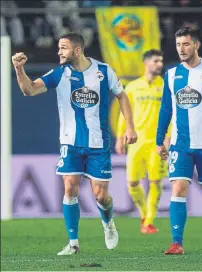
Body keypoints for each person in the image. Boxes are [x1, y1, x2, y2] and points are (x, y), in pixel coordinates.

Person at [12, 32, 137, 255]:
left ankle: (108, 224)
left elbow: (122, 96)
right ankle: (73, 243)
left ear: (77, 50)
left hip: (98, 143)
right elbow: (28, 90)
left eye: (63, 48)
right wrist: (19, 69)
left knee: (101, 195)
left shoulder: (104, 71)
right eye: (59, 47)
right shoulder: (59, 74)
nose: (59, 52)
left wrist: (129, 127)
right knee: (70, 188)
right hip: (70, 143)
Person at [156, 27, 202, 255]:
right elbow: (166, 109)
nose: (181, 49)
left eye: (186, 44)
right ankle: (176, 242)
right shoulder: (171, 74)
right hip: (180, 143)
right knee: (178, 187)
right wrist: (160, 140)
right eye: (178, 45)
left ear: (196, 45)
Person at [115, 50, 171, 234]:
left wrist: (168, 137)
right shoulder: (132, 87)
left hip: (157, 142)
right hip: (136, 142)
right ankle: (144, 215)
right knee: (132, 183)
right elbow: (125, 114)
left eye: (161, 61)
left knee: (155, 182)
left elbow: (172, 115)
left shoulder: (166, 86)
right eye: (156, 61)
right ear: (146, 63)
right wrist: (119, 137)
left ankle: (149, 222)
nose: (159, 64)